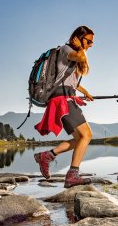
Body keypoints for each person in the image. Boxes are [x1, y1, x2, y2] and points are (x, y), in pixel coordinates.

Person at [34, 26, 95, 188]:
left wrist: (85, 92)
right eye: (88, 41)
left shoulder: (71, 56)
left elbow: (72, 83)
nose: (91, 44)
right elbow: (81, 57)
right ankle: (72, 175)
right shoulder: (66, 49)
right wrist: (81, 48)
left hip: (66, 97)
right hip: (62, 100)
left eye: (92, 42)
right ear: (78, 37)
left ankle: (46, 156)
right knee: (87, 135)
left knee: (79, 139)